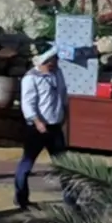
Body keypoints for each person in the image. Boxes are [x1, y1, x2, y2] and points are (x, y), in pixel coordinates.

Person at [15, 49, 69, 205]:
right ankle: (21, 198)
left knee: (65, 166)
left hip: (55, 126)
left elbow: (63, 94)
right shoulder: (30, 78)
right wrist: (38, 122)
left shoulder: (57, 74)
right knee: (26, 164)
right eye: (50, 61)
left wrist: (65, 113)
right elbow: (28, 104)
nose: (54, 64)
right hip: (37, 128)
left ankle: (70, 200)